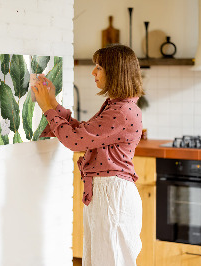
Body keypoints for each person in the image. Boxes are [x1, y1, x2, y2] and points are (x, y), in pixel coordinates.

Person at [32, 44, 144, 266]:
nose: (93, 72)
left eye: (99, 67)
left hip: (112, 195)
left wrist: (47, 108)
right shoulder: (117, 106)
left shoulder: (121, 111)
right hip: (107, 193)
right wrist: (53, 103)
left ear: (115, 72)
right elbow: (83, 133)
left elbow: (75, 141)